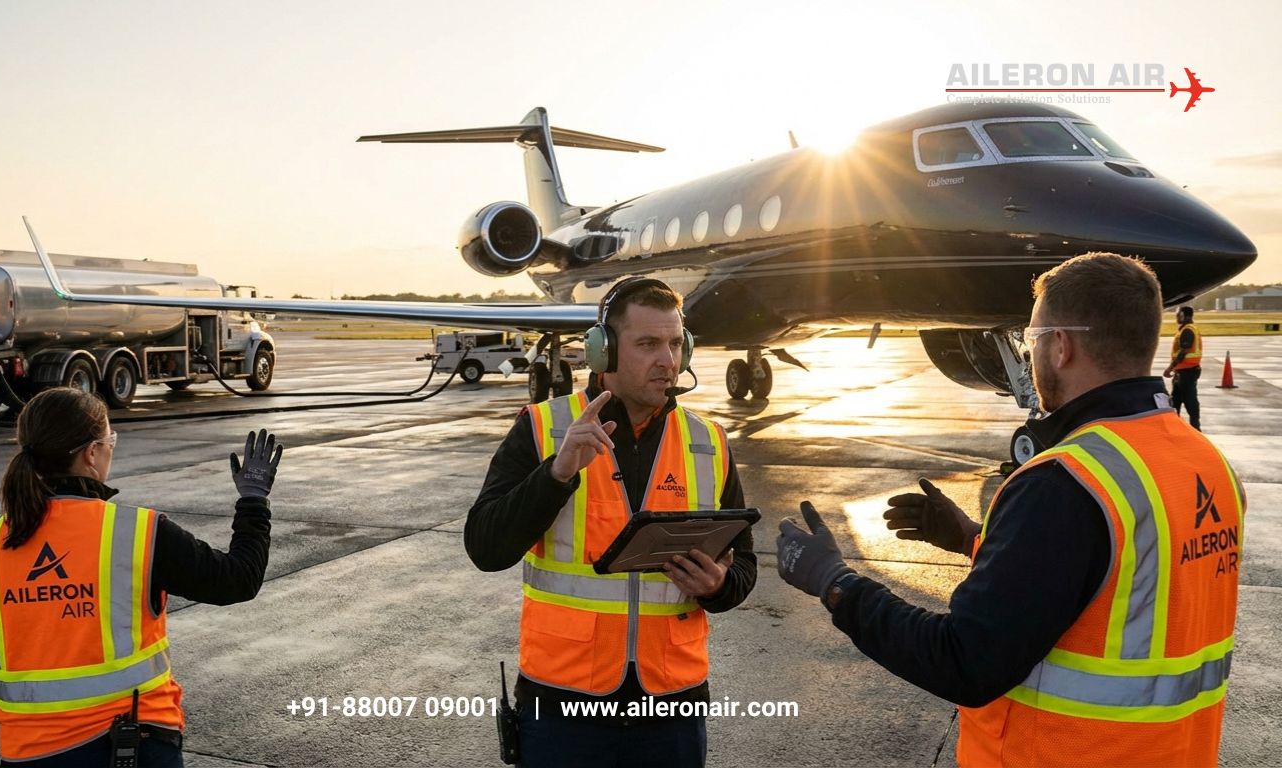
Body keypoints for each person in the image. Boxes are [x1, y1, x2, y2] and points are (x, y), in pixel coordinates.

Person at [776, 253, 1244, 767]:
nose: (1031, 350)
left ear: (1061, 346)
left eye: (1034, 336)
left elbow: (964, 662)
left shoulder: (1065, 481)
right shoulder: (1208, 462)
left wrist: (836, 583)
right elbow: (1124, 587)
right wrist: (973, 540)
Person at [466, 278, 757, 768]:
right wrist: (556, 474)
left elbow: (743, 565)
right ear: (603, 353)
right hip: (563, 701)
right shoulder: (543, 428)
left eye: (674, 343)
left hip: (672, 704)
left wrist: (719, 585)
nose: (667, 360)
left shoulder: (708, 442)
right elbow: (485, 548)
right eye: (647, 344)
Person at [0, 388, 284, 767]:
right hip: (131, 747)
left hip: (28, 753)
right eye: (111, 441)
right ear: (92, 453)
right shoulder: (138, 533)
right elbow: (237, 580)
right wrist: (254, 501)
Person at [1164, 305, 1203, 430]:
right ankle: (1175, 427)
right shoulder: (1186, 329)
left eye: (1178, 314)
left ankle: (1196, 428)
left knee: (1189, 400)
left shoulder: (1188, 330)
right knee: (1175, 400)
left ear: (1185, 316)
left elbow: (1183, 352)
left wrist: (1170, 367)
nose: (1176, 317)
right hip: (1182, 371)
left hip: (1188, 372)